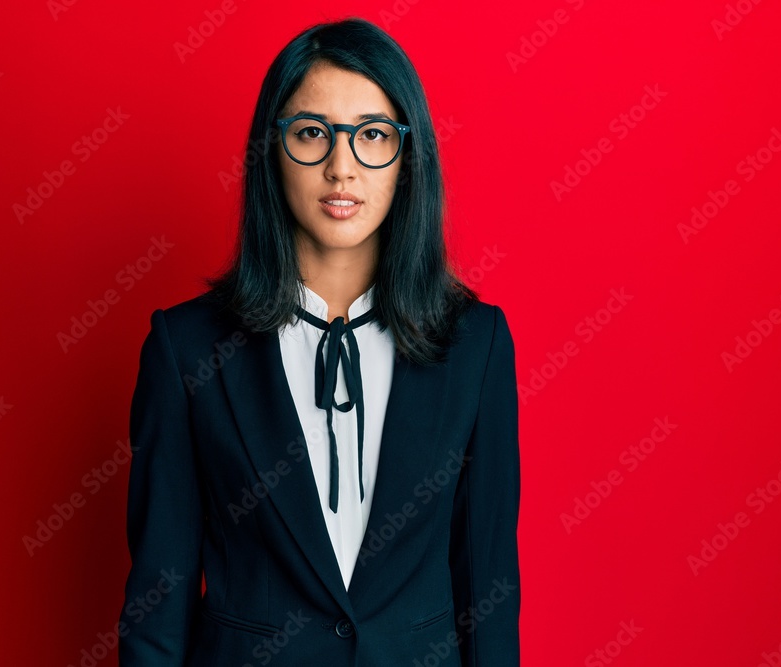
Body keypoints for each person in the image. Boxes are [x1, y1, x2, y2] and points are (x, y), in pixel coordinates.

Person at [118, 16, 520, 666]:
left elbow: (489, 594)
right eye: (312, 134)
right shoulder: (186, 348)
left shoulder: (477, 345)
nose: (342, 167)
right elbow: (155, 610)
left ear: (408, 155)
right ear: (270, 151)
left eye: (372, 136)